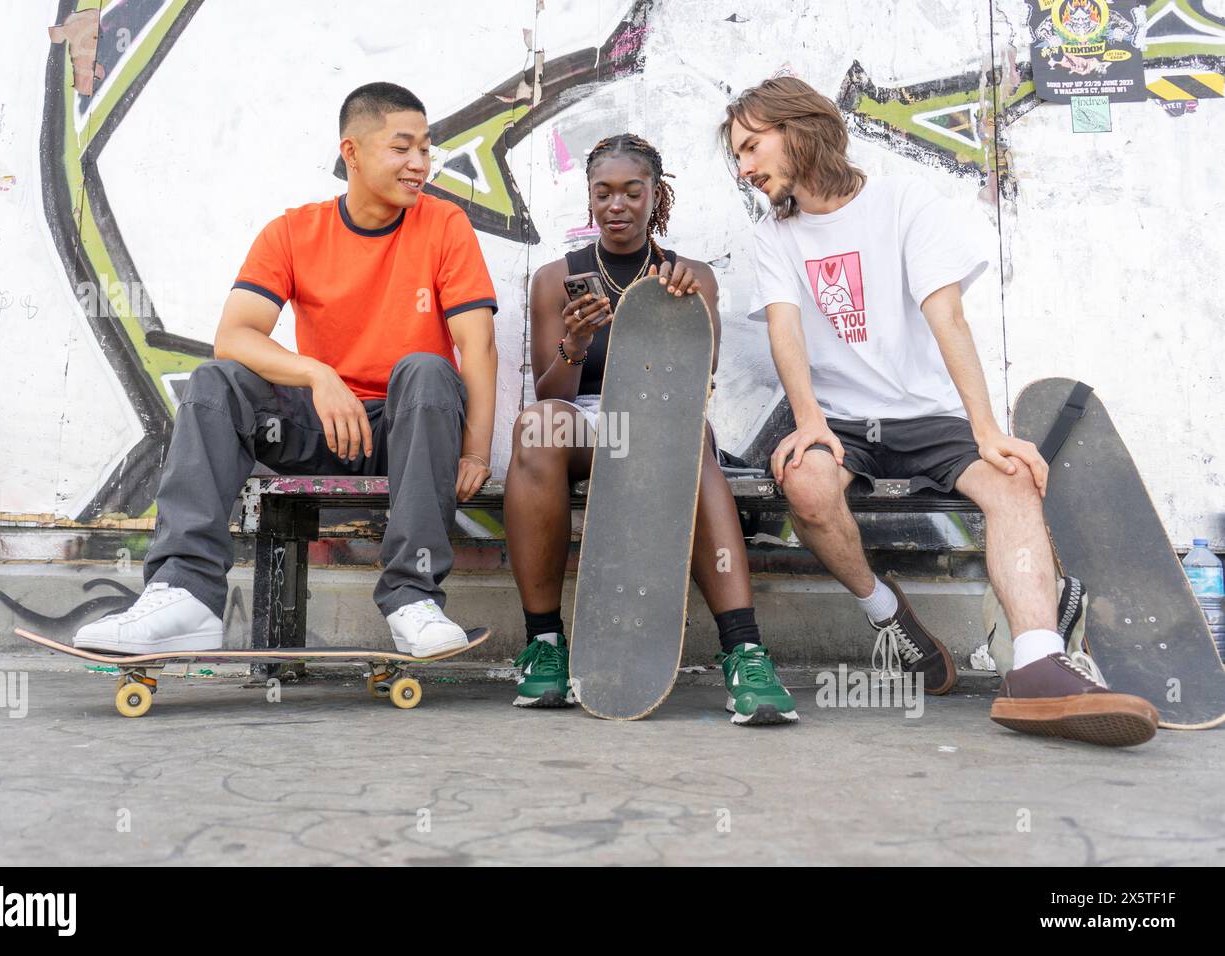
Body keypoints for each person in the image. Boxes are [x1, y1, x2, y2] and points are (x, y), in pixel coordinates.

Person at [722, 76, 1158, 746]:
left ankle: (1039, 664)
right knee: (805, 486)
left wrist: (987, 432)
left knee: (1011, 480)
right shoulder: (774, 236)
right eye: (738, 155)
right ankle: (886, 610)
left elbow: (946, 313)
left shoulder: (904, 200)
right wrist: (807, 420)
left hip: (929, 416)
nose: (745, 167)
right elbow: (786, 329)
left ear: (799, 128)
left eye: (753, 146)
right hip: (841, 422)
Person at [74, 82, 499, 659]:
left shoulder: (445, 225)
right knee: (214, 383)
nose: (419, 164)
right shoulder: (295, 231)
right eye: (402, 148)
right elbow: (234, 336)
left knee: (427, 369)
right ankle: (185, 595)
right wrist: (317, 375)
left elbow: (477, 347)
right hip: (318, 428)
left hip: (408, 433)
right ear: (351, 152)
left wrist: (474, 452)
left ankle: (411, 596)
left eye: (426, 149)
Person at [502, 133, 798, 726]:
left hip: (663, 416)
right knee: (536, 427)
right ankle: (546, 646)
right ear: (588, 199)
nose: (617, 205)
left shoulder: (689, 277)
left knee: (693, 440)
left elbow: (699, 380)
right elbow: (551, 393)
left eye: (632, 192)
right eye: (603, 193)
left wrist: (685, 316)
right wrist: (576, 342)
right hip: (590, 424)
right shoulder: (555, 278)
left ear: (654, 196)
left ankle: (745, 652)